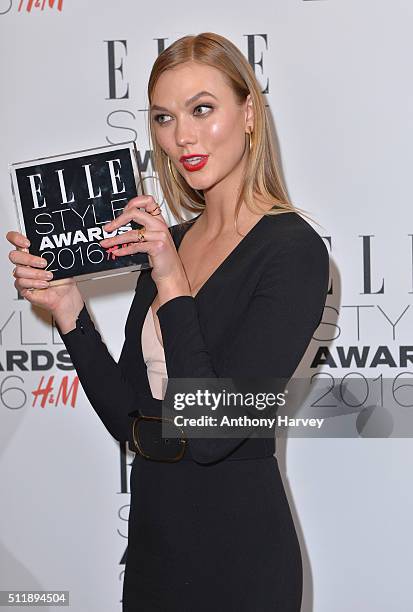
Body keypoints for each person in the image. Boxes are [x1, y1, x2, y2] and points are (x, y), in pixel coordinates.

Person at [6, 32, 329, 612]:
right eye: (164, 117)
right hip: (156, 555)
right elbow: (133, 424)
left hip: (239, 562)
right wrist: (71, 316)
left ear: (249, 113)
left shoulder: (293, 250)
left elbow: (213, 432)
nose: (182, 136)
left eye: (202, 109)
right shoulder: (170, 242)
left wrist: (172, 278)